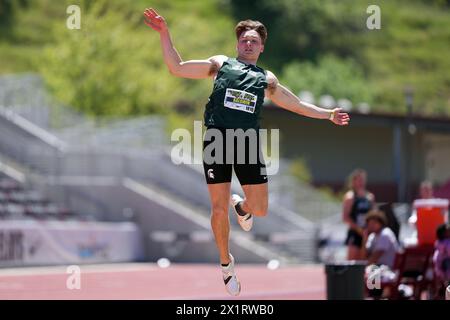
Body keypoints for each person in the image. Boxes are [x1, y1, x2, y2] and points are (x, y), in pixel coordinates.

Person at [143, 8, 350, 296]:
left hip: (246, 144)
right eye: (244, 40)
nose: (248, 44)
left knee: (261, 209)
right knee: (217, 208)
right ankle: (226, 264)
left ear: (262, 47)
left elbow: (298, 105)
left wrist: (328, 114)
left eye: (254, 41)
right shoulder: (220, 64)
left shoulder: (267, 79)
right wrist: (165, 34)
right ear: (238, 44)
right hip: (217, 140)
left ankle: (242, 206)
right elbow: (176, 66)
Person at [342, 169, 375, 260]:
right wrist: (358, 229)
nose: (361, 182)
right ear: (353, 181)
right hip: (355, 233)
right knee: (352, 262)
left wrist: (369, 230)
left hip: (367, 233)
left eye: (362, 180)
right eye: (358, 180)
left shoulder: (370, 197)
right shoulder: (350, 197)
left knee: (366, 261)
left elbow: (374, 215)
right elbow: (345, 217)